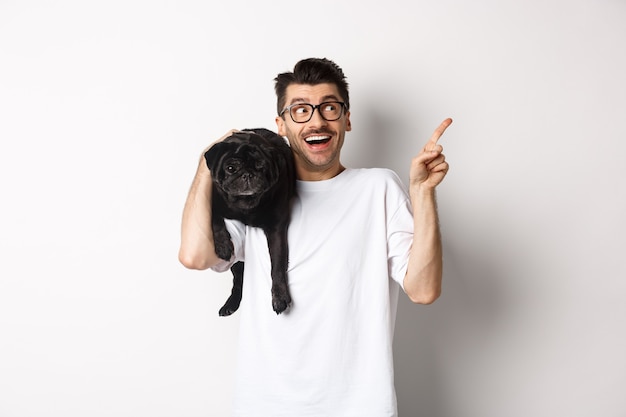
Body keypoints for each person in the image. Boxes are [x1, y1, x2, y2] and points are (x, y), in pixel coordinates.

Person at [178, 58, 451, 417]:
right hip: (264, 405)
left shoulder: (378, 189)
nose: (317, 120)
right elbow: (195, 256)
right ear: (281, 125)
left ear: (347, 118)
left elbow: (423, 289)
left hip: (359, 407)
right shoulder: (255, 196)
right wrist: (206, 164)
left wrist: (423, 192)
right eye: (301, 110)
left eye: (329, 108)